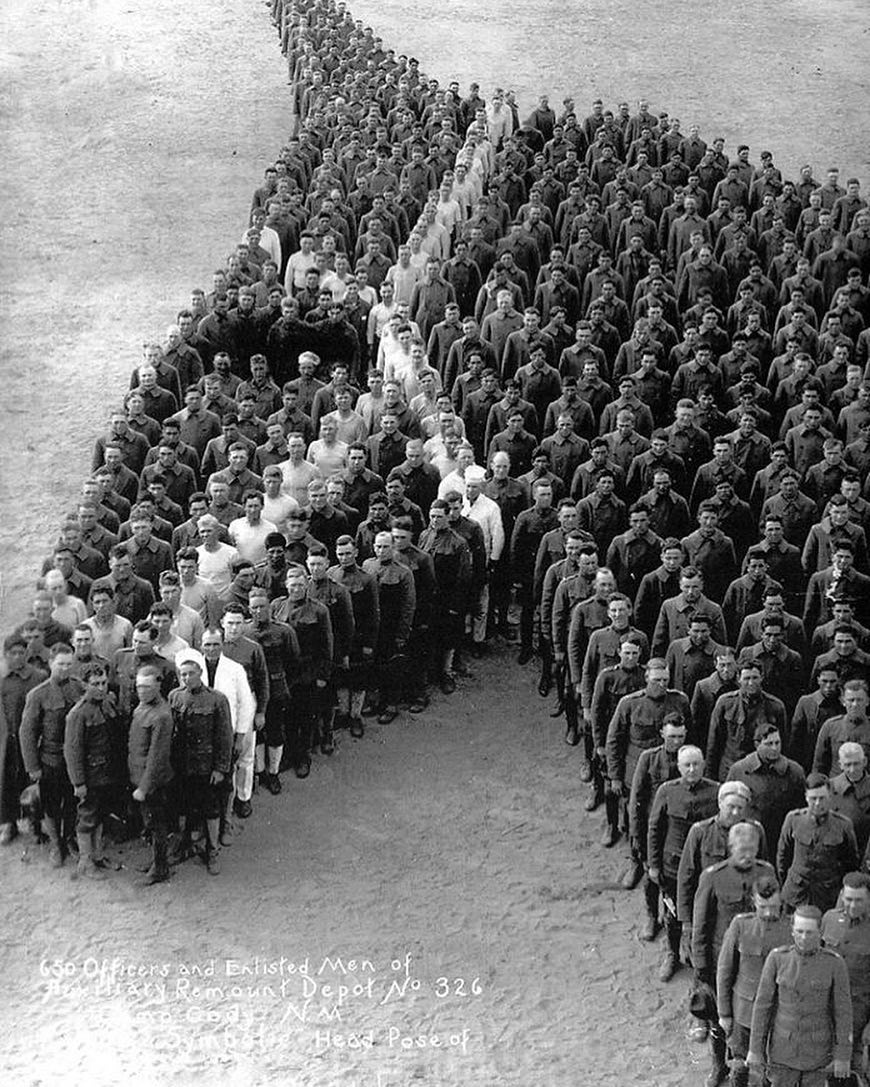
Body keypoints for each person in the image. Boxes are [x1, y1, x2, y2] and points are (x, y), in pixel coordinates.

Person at [692, 822, 777, 1087]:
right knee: (720, 1017)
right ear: (730, 848)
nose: (747, 855)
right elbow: (701, 924)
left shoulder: (766, 872)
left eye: (751, 850)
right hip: (721, 961)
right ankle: (719, 1065)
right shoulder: (713, 875)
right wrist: (701, 967)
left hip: (755, 961)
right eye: (742, 850)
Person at [748, 905, 853, 1086]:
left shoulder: (834, 963)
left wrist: (843, 1055)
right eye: (799, 931)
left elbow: (843, 1012)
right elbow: (762, 1007)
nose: (804, 937)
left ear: (820, 932)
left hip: (818, 1053)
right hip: (782, 1052)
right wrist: (755, 1049)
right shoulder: (777, 959)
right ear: (792, 931)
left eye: (810, 932)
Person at [646, 744, 718, 981]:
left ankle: (701, 957)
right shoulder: (667, 791)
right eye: (686, 765)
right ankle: (672, 954)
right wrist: (654, 865)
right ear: (678, 767)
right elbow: (655, 829)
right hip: (674, 864)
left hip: (705, 865)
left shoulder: (716, 791)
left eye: (696, 764)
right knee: (673, 912)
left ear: (703, 765)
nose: (691, 769)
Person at [716, 874, 790, 1087]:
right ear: (753, 903)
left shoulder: (792, 929)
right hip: (744, 1012)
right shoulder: (741, 926)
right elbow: (725, 970)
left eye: (773, 907)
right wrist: (724, 1013)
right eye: (762, 907)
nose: (768, 913)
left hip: (778, 1014)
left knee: (772, 1068)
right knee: (740, 1065)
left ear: (781, 902)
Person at [19, 644, 86, 867]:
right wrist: (33, 767)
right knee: (50, 804)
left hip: (75, 761)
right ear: (50, 663)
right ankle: (56, 844)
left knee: (71, 802)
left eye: (69, 664)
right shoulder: (37, 695)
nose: (65, 669)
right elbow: (27, 733)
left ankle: (68, 839)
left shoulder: (79, 689)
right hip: (51, 761)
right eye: (60, 664)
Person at [168, 648, 234, 876]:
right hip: (183, 765)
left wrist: (220, 768)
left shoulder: (217, 700)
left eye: (191, 673)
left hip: (207, 767)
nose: (186, 678)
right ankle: (185, 844)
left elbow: (225, 737)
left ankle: (212, 851)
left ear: (200, 673)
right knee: (183, 807)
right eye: (182, 674)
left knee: (211, 810)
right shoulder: (175, 696)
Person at [63, 663, 120, 879]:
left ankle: (97, 855)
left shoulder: (108, 704)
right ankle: (86, 862)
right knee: (87, 817)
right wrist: (78, 783)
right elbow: (73, 752)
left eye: (104, 682)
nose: (101, 688)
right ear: (85, 685)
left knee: (101, 815)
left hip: (107, 774)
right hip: (90, 777)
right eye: (95, 684)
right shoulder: (77, 715)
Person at [777, 772, 860, 911]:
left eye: (822, 798)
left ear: (830, 797)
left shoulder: (843, 825)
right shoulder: (793, 819)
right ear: (806, 797)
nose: (817, 803)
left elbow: (851, 863)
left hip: (827, 897)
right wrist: (787, 882)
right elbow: (783, 856)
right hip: (795, 895)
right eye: (813, 798)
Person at [128, 664, 175, 885]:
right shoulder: (142, 707)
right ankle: (157, 861)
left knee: (157, 826)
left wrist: (144, 787)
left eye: (147, 687)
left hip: (153, 782)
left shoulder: (161, 715)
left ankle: (160, 868)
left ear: (158, 685)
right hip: (139, 776)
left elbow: (157, 756)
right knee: (150, 823)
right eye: (139, 686)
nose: (142, 691)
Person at [821, 871, 870, 1080]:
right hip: (826, 1009)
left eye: (858, 900)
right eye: (848, 899)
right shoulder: (829, 919)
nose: (852, 905)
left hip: (859, 1012)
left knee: (855, 1071)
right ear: (842, 894)